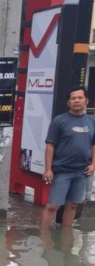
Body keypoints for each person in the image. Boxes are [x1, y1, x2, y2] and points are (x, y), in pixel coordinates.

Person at [41, 87, 95, 230]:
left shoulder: (92, 121)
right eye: (73, 98)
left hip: (82, 172)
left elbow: (94, 145)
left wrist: (94, 164)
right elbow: (50, 146)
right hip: (62, 171)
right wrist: (48, 169)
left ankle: (65, 237)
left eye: (80, 97)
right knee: (53, 206)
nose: (76, 100)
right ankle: (44, 237)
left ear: (86, 101)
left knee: (73, 205)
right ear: (68, 102)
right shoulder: (59, 121)